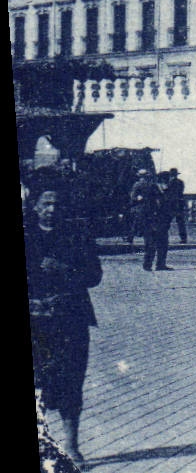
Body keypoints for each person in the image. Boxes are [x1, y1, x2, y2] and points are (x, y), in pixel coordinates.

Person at [27, 180, 102, 468]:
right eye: (46, 203)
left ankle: (72, 445)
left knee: (71, 381)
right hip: (36, 323)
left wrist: (65, 269)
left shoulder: (77, 235)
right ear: (35, 207)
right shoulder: (28, 234)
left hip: (71, 321)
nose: (52, 209)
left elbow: (94, 275)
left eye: (57, 203)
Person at [130, 169, 170, 271]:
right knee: (158, 241)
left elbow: (132, 199)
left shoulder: (140, 185)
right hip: (152, 217)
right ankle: (157, 264)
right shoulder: (151, 186)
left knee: (152, 242)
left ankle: (149, 265)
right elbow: (160, 199)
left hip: (148, 217)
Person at [162, 167, 188, 246]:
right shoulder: (181, 182)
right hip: (179, 204)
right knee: (181, 223)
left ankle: (164, 238)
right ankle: (183, 238)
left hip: (171, 205)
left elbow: (167, 193)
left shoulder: (169, 183)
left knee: (166, 222)